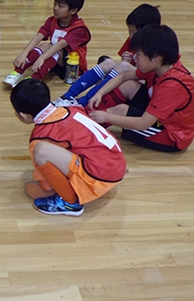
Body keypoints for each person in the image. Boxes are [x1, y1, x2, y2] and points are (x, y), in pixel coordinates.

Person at [10, 79, 126, 216]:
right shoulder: (71, 108)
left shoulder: (41, 135)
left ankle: (69, 203)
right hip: (117, 164)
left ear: (22, 115)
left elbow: (47, 187)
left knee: (40, 154)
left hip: (100, 175)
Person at [88, 24, 194, 152]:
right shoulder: (161, 66)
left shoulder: (172, 86)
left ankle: (84, 128)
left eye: (138, 54)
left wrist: (107, 117)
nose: (134, 58)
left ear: (156, 57)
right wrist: (99, 93)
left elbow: (143, 123)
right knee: (129, 85)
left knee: (119, 111)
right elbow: (123, 77)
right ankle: (89, 115)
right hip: (160, 115)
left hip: (171, 136)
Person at [56, 4, 161, 108]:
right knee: (108, 62)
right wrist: (125, 60)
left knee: (123, 67)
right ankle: (67, 97)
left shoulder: (155, 50)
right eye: (129, 31)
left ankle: (83, 103)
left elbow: (146, 75)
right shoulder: (133, 40)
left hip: (145, 89)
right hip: (133, 79)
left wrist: (126, 65)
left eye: (134, 32)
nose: (131, 35)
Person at [3, 0, 90, 87]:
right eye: (55, 4)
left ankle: (35, 79)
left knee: (55, 49)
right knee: (45, 45)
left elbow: (60, 45)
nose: (55, 8)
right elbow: (38, 36)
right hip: (53, 59)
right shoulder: (52, 20)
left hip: (71, 69)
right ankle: (17, 72)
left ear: (73, 11)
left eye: (60, 6)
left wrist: (41, 58)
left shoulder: (79, 29)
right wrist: (24, 54)